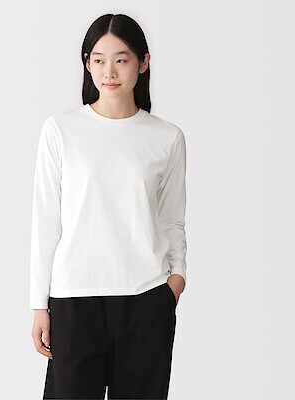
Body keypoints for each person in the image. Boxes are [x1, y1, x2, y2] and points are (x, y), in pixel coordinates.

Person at [30, 13, 188, 400]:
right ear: (87, 64)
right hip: (74, 299)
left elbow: (172, 220)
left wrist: (176, 281)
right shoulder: (60, 130)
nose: (109, 71)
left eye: (121, 59)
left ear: (143, 62)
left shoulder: (166, 137)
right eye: (98, 59)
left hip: (146, 298)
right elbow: (46, 221)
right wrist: (39, 304)